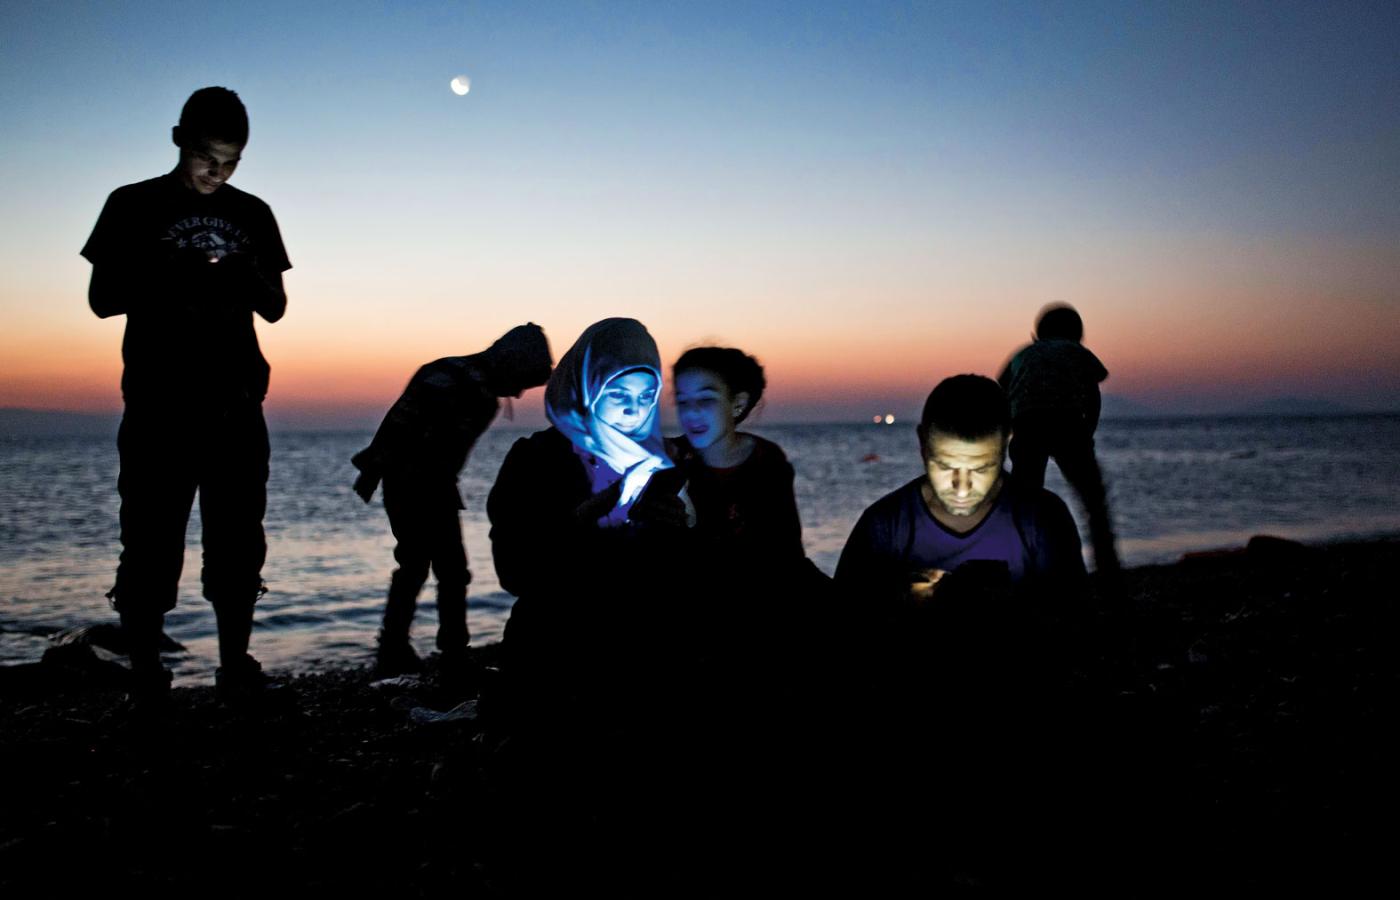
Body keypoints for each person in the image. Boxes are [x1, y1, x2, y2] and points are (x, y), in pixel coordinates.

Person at [81, 86, 291, 708]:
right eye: (206, 157)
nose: (216, 173)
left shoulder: (253, 213)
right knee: (149, 540)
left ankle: (235, 666)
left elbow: (276, 307)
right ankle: (146, 672)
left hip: (236, 404)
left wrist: (243, 274)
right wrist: (173, 272)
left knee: (239, 542)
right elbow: (101, 299)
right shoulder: (131, 204)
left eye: (230, 162)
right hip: (158, 404)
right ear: (178, 140)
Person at [486, 318, 692, 722]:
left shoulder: (664, 463)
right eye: (618, 393)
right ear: (585, 386)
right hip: (555, 648)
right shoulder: (535, 460)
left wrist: (679, 529)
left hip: (642, 651)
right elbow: (514, 572)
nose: (634, 409)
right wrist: (584, 518)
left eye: (646, 395)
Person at [351, 324, 552, 677]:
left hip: (424, 484)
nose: (520, 394)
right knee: (440, 570)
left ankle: (409, 648)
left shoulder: (454, 376)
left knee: (425, 568)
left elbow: (405, 429)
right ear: (510, 363)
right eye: (522, 381)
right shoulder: (469, 390)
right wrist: (383, 470)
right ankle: (438, 653)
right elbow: (408, 431)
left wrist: (376, 469)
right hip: (418, 485)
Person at [835, 374, 1086, 623]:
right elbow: (840, 619)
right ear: (923, 442)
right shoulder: (884, 526)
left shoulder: (1041, 519)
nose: (962, 490)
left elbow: (1076, 621)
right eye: (945, 467)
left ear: (1006, 443)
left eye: (981, 469)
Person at [998, 303, 1121, 572]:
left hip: (1027, 426)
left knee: (1025, 500)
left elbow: (1002, 387)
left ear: (1036, 334)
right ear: (1079, 335)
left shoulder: (1023, 354)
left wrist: (1007, 431)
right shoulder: (1077, 351)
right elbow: (1092, 395)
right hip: (1068, 423)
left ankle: (1023, 567)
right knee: (1093, 503)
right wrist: (1087, 433)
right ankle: (1107, 570)